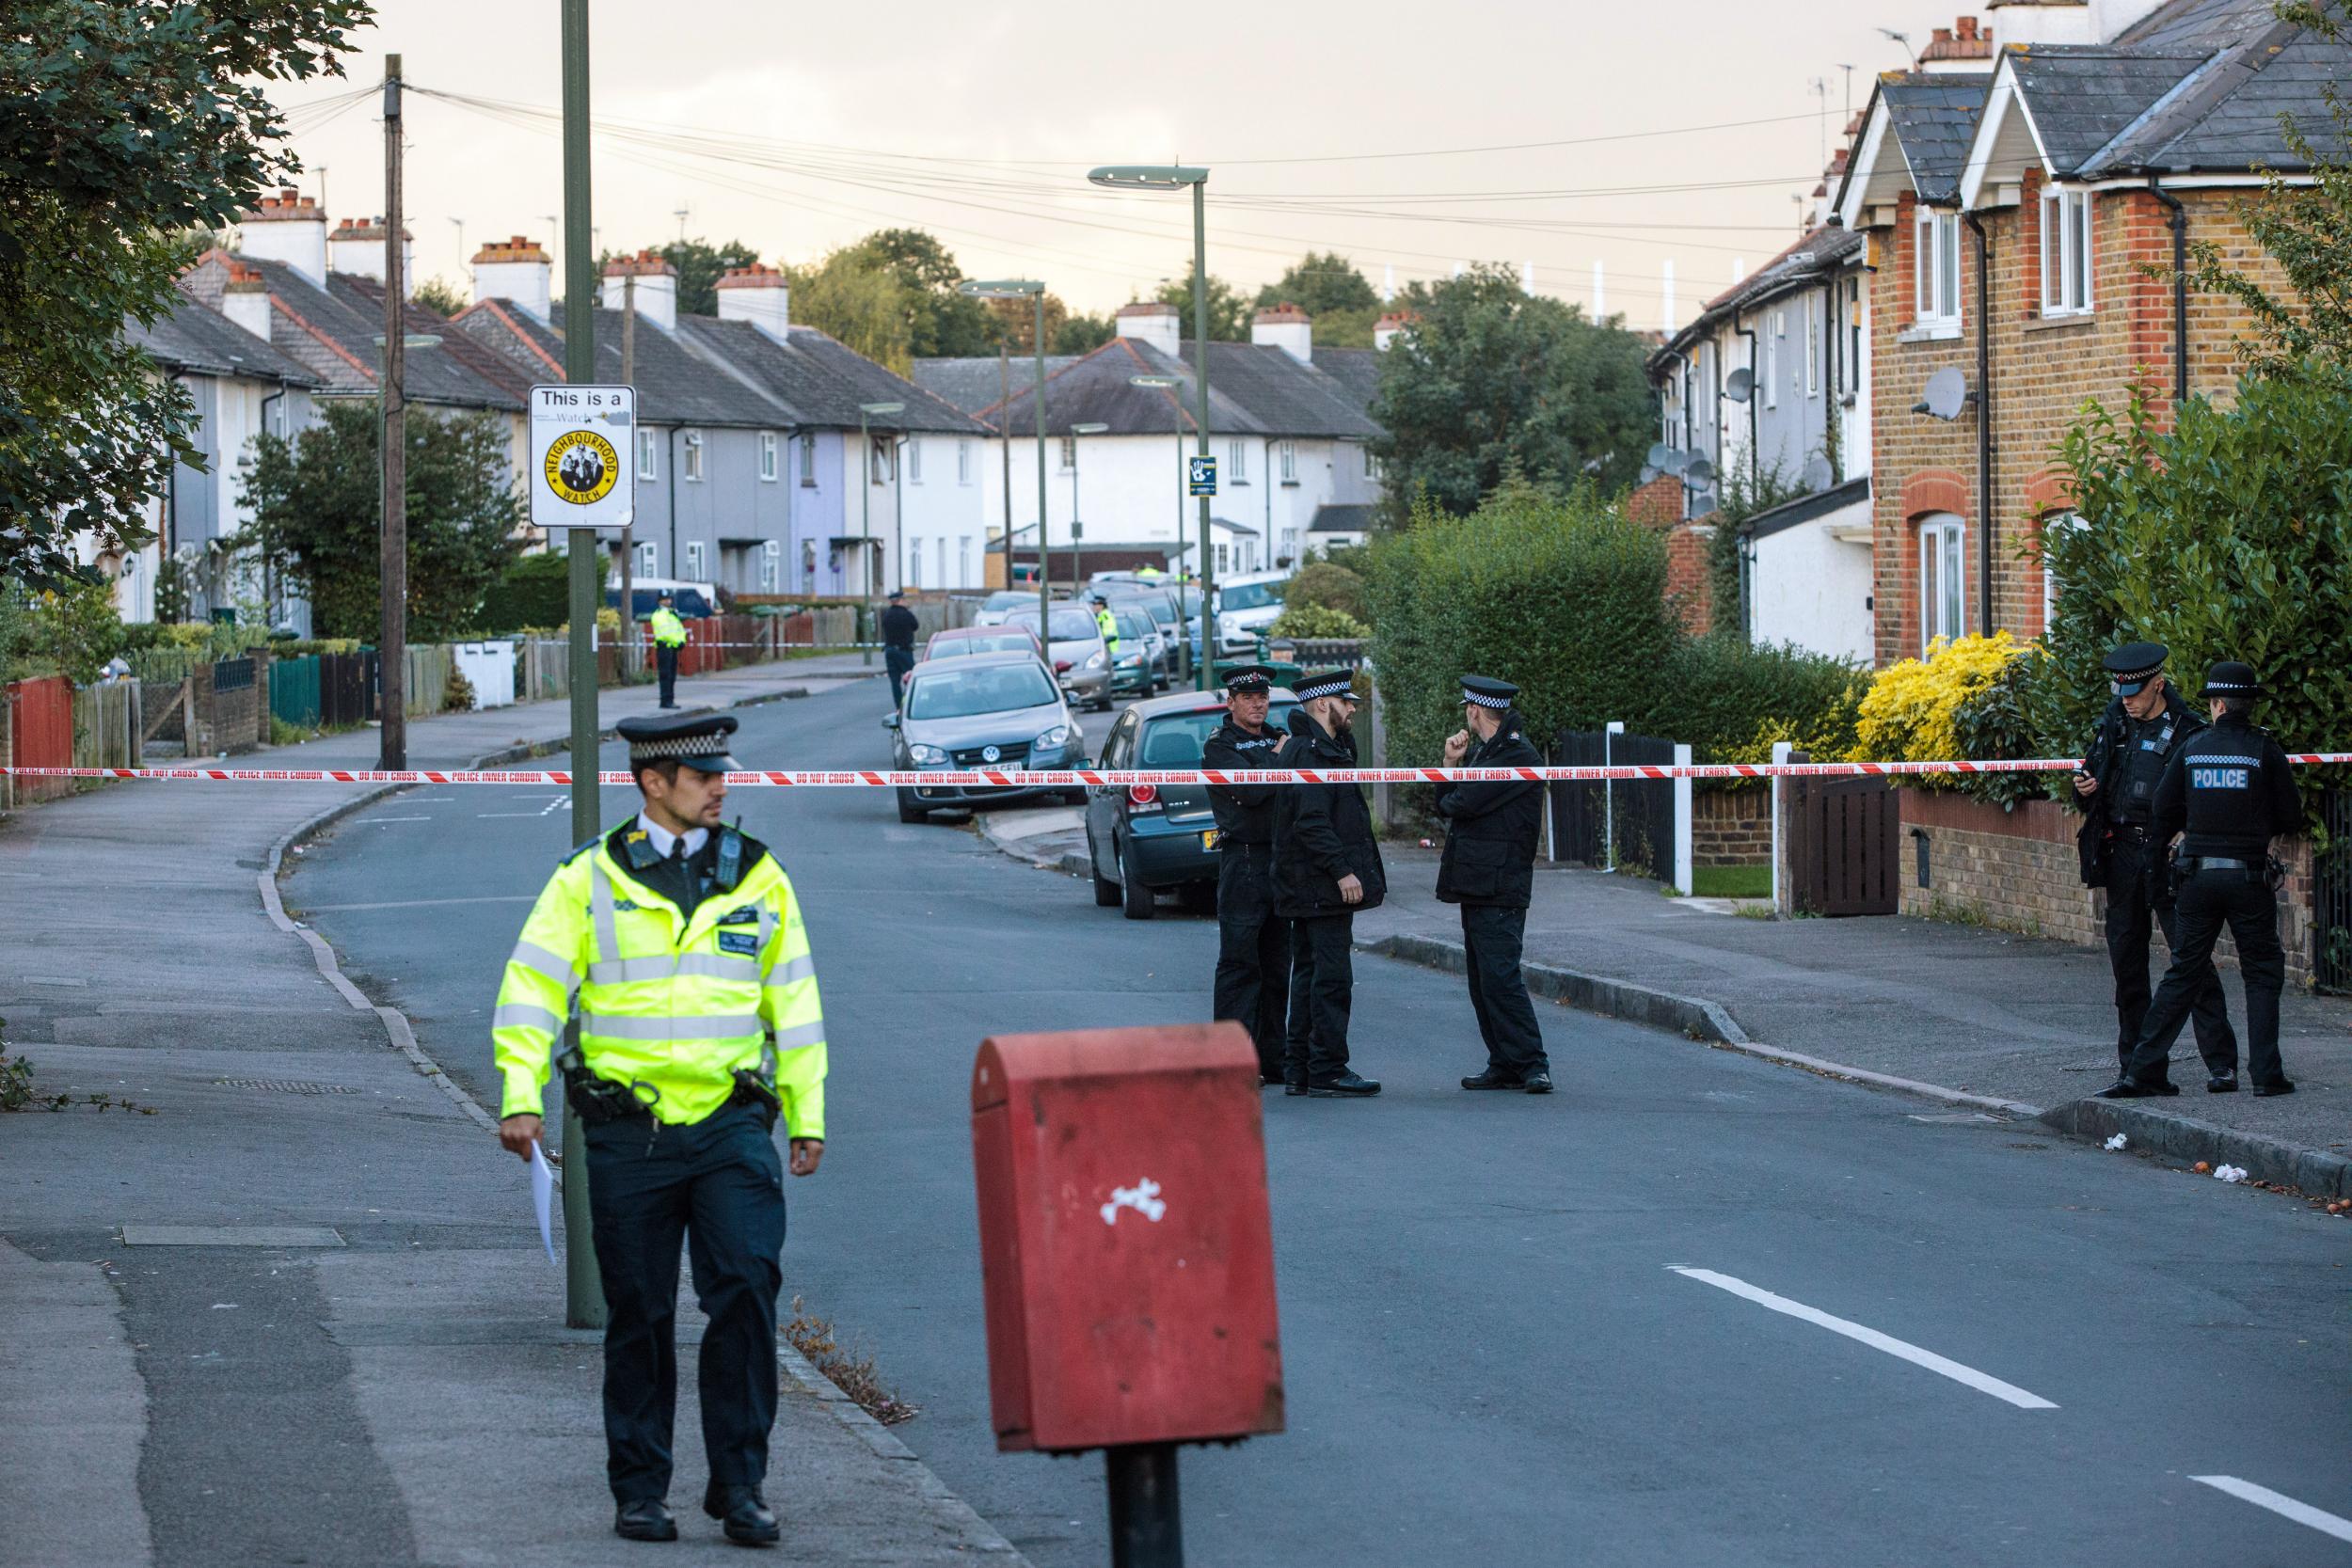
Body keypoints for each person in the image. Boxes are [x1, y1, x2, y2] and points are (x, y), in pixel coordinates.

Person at [490, 709, 827, 1546]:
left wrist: (809, 1111)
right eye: (705, 774)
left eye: (723, 772)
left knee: (747, 1288)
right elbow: (532, 986)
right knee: (638, 1311)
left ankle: (740, 1483)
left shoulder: (757, 873)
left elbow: (796, 999)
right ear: (653, 783)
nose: (723, 786)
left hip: (729, 1124)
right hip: (628, 1130)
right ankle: (640, 1488)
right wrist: (518, 1093)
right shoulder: (588, 877)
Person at [2101, 661, 2298, 1100]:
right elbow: (2291, 815)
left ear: (2217, 704)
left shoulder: (2193, 749)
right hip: (2249, 879)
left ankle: (2142, 1069)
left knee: (2183, 973)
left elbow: (2163, 808)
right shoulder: (2265, 752)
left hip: (2198, 878)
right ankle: (2266, 1074)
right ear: (2245, 705)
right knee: (2262, 974)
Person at [2073, 641, 2239, 1085]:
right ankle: (2139, 1068)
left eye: (2135, 690)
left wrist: (2190, 833)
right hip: (2122, 853)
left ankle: (2221, 1064)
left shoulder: (2189, 730)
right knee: (2126, 965)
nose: (2126, 698)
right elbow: (2092, 778)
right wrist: (2083, 787)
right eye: (2120, 690)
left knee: (2191, 960)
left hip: (2166, 855)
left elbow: (2204, 796)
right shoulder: (2114, 725)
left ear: (2158, 684)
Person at [1438, 675, 1552, 1095]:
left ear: (1473, 710)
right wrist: (1453, 766)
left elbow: (1457, 803)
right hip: (1478, 881)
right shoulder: (1491, 753)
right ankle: (1503, 1061)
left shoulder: (1515, 755)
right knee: (1482, 979)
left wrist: (1452, 773)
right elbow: (1454, 803)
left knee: (1501, 976)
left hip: (1501, 883)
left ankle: (1532, 1064)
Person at [1273, 668, 1383, 1098]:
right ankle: (1328, 1067)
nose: (1353, 708)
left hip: (1308, 883)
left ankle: (1300, 1068)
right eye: (1346, 702)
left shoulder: (1324, 747)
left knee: (1310, 973)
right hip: (1317, 883)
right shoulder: (1311, 753)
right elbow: (1312, 821)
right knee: (1331, 977)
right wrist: (1342, 870)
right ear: (1323, 704)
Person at [1201, 665, 1291, 1085]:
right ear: (1231, 702)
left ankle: (1273, 1059)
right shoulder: (1220, 747)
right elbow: (1252, 792)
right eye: (1249, 697)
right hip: (1245, 861)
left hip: (1280, 859)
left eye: (1263, 696)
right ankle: (1231, 1061)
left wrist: (1275, 755)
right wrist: (1277, 759)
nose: (1258, 703)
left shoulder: (1276, 739)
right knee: (1240, 965)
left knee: (1276, 966)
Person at [880, 589, 919, 712]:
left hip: (890, 651)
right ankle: (911, 703)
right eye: (904, 599)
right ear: (900, 601)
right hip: (904, 651)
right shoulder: (906, 614)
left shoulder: (887, 615)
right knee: (912, 679)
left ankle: (899, 707)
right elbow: (915, 626)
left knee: (895, 681)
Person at [649, 592, 689, 710]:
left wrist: (682, 641)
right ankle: (665, 700)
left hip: (673, 647)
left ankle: (670, 700)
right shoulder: (659, 615)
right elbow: (665, 633)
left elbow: (679, 629)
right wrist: (678, 641)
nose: (667, 601)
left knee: (672, 675)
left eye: (669, 599)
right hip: (664, 647)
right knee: (665, 675)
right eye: (664, 599)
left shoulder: (672, 614)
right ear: (659, 601)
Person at [1091, 594, 1120, 662]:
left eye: (1095, 605)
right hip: (1104, 648)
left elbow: (1108, 631)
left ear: (1101, 606)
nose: (1093, 607)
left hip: (1108, 648)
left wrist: (1102, 638)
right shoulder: (1100, 615)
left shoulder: (1105, 615)